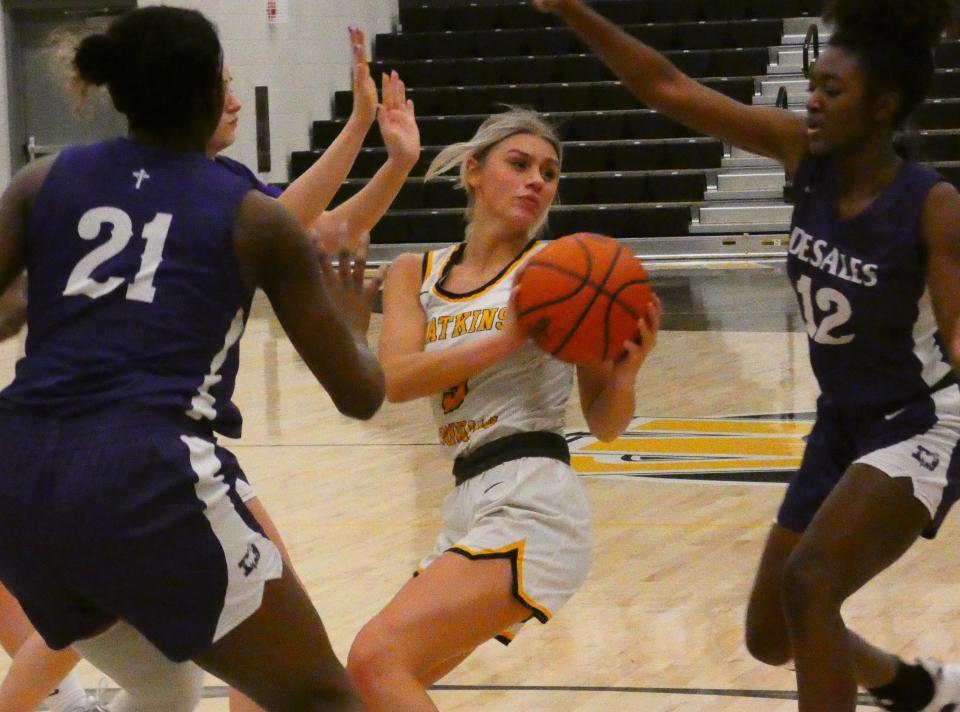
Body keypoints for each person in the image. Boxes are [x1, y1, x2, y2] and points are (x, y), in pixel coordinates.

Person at [532, 0, 960, 710]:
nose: (814, 102)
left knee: (810, 582)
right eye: (814, 85)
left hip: (921, 420)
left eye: (833, 91)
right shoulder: (804, 155)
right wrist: (573, 8)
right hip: (841, 421)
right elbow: (669, 89)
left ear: (883, 106)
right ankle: (916, 688)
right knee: (772, 631)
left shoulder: (932, 204)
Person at [0, 23, 420, 712]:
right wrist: (351, 320)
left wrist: (22, 304)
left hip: (17, 472)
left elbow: (7, 309)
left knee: (163, 684)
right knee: (322, 698)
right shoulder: (250, 217)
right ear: (206, 94)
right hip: (144, 469)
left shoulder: (41, 180)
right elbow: (360, 394)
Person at [345, 107, 662, 711]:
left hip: (535, 497)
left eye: (549, 171)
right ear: (472, 171)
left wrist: (627, 375)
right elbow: (398, 379)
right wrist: (512, 333)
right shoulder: (416, 271)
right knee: (366, 686)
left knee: (377, 656)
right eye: (518, 164)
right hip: (465, 498)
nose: (537, 180)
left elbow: (606, 422)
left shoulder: (564, 268)